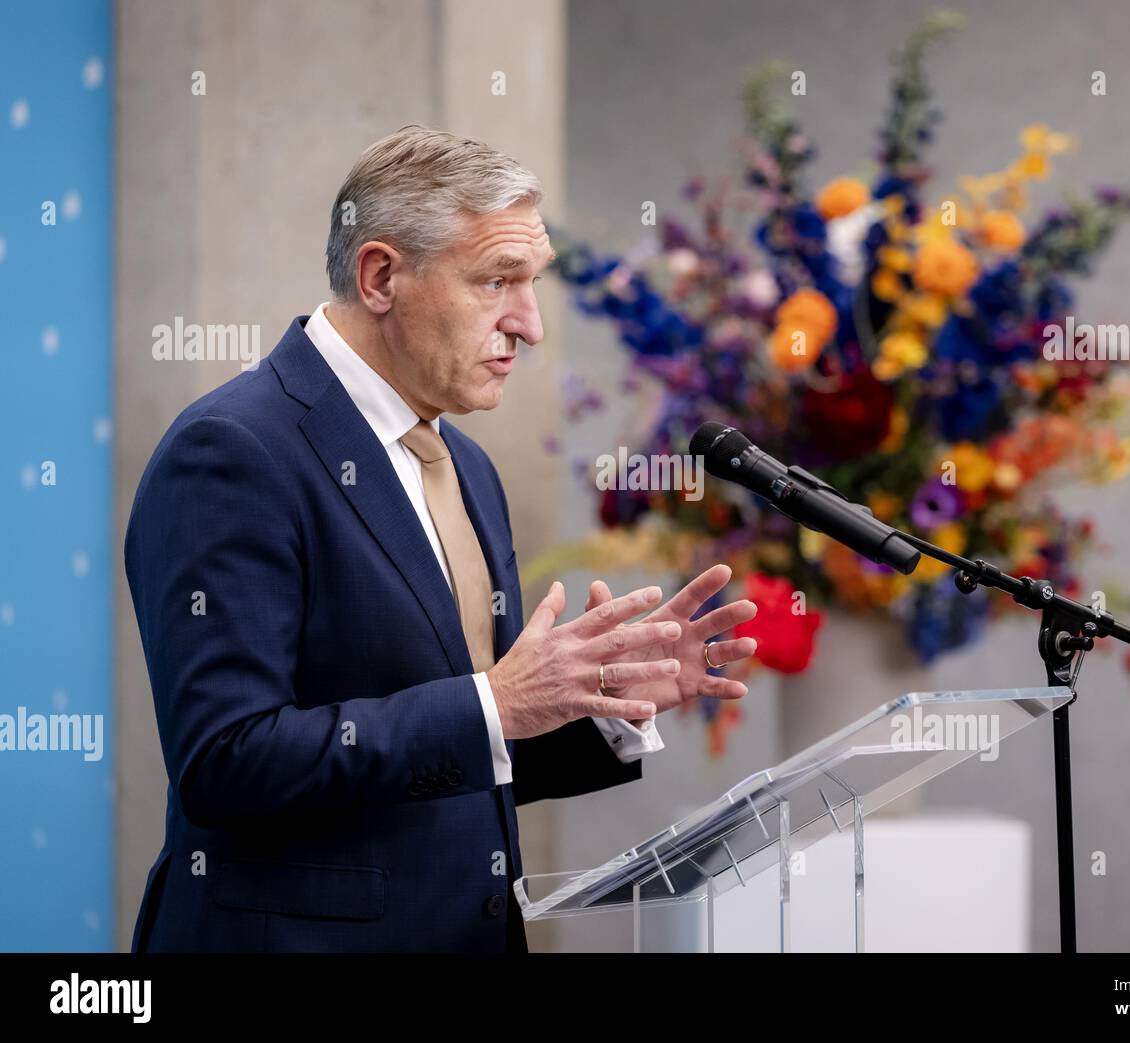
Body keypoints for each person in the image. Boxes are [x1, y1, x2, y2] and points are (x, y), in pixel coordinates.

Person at [124, 125, 758, 952]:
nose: (529, 326)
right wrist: (497, 701)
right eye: (498, 281)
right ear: (381, 275)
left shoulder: (464, 463)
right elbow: (227, 760)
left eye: (532, 285)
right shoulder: (232, 450)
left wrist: (598, 699)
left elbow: (458, 757)